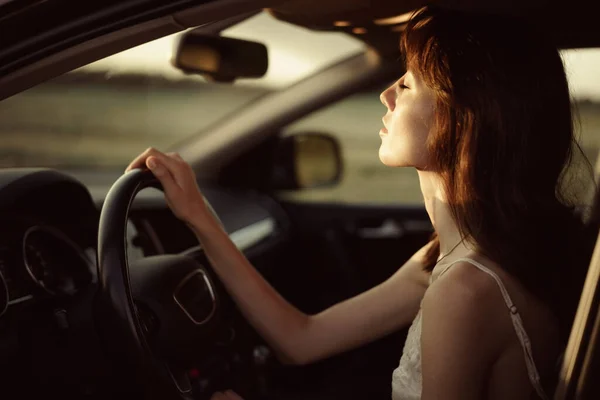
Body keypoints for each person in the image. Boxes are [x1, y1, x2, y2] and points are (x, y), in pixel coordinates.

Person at [125, 6, 592, 400]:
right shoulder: (453, 260)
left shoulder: (467, 290)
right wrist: (200, 218)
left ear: (463, 122)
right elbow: (300, 340)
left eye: (408, 85)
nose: (387, 95)